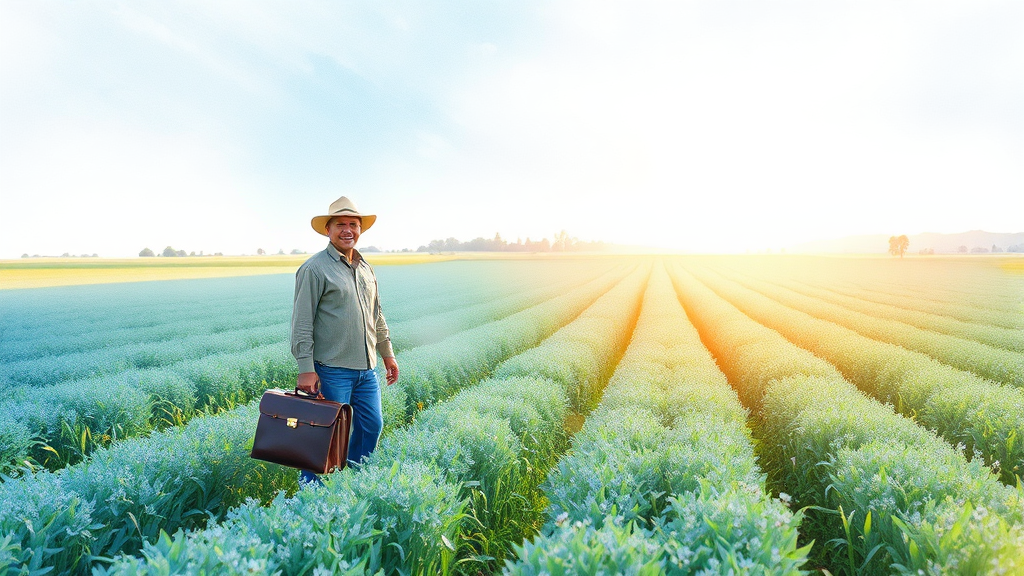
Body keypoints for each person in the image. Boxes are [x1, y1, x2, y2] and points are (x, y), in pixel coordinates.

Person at [290, 196, 399, 484]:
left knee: (371, 426)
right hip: (332, 369)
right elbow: (302, 321)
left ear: (360, 229)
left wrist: (387, 353)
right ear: (328, 229)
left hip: (367, 370)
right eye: (341, 224)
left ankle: (348, 483)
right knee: (325, 435)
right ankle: (311, 492)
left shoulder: (366, 268)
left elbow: (376, 314)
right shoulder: (314, 269)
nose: (348, 230)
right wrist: (305, 368)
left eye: (354, 224)